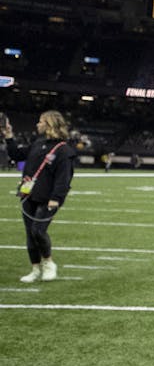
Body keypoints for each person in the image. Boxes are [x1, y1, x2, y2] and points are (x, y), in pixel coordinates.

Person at [4, 111, 78, 282]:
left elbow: (64, 177)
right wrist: (9, 136)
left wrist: (56, 198)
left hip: (48, 197)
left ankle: (49, 263)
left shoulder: (63, 150)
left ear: (49, 124)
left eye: (40, 121)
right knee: (30, 234)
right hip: (29, 194)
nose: (37, 124)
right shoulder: (38, 143)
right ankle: (35, 269)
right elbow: (16, 154)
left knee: (38, 230)